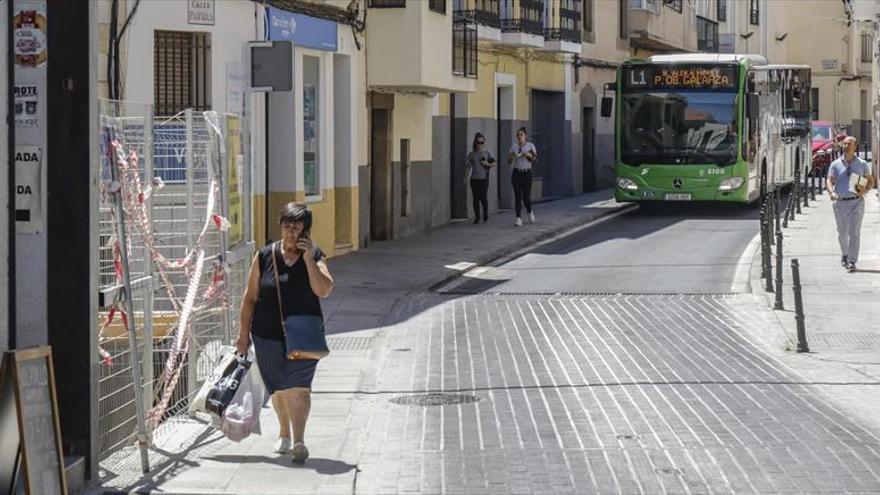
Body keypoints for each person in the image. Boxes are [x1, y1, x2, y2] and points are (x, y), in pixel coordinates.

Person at [236, 202, 334, 462]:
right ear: (280, 225)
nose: (290, 230)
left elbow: (323, 290)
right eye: (286, 224)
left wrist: (308, 260)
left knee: (299, 387)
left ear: (305, 229)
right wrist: (243, 335)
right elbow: (249, 298)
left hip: (304, 333)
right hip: (266, 334)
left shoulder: (315, 255)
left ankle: (299, 441)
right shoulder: (264, 256)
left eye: (297, 225)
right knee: (278, 388)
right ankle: (283, 431)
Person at [826, 136, 874, 272]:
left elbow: (870, 179)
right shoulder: (835, 164)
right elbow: (829, 180)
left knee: (854, 232)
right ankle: (845, 254)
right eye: (844, 144)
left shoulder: (862, 164)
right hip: (840, 202)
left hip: (857, 203)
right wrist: (831, 193)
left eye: (849, 144)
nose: (846, 146)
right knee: (842, 233)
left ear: (855, 146)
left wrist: (866, 190)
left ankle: (852, 260)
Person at [507, 127, 538, 226]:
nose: (519, 136)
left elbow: (534, 159)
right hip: (517, 173)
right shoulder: (514, 146)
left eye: (521, 134)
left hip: (526, 173)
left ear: (525, 136)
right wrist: (513, 156)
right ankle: (518, 218)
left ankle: (529, 211)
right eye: (518, 135)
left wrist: (526, 154)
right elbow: (508, 161)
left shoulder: (530, 145)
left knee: (526, 196)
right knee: (517, 196)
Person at [465, 132, 495, 224]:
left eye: (482, 142)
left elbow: (493, 163)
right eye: (478, 142)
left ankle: (485, 215)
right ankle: (477, 217)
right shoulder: (472, 154)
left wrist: (487, 164)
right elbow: (468, 167)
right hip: (474, 179)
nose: (480, 144)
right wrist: (465, 178)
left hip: (484, 179)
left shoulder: (487, 153)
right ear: (475, 142)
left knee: (483, 197)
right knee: (475, 199)